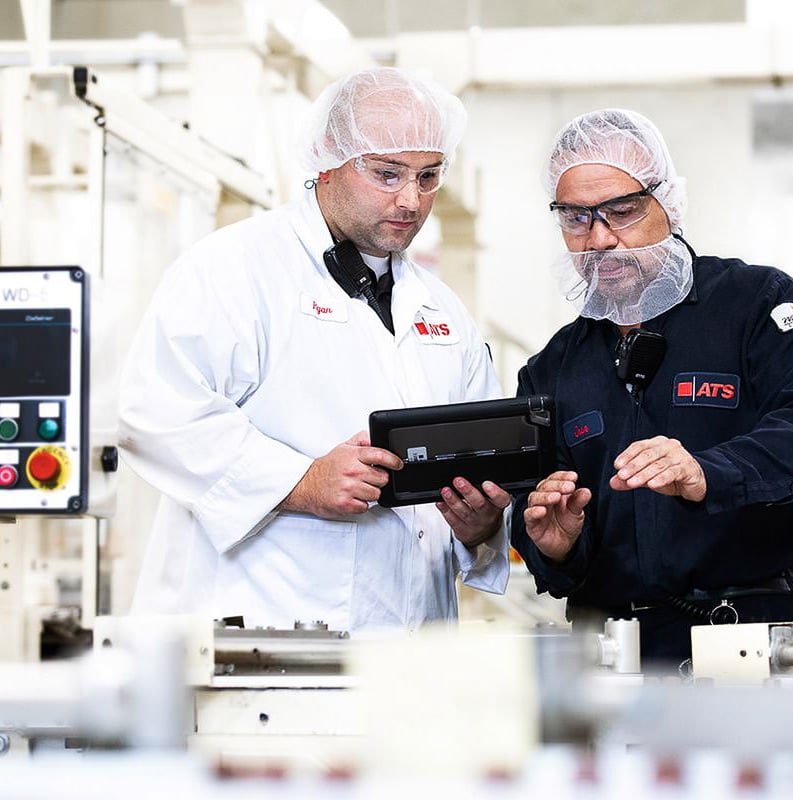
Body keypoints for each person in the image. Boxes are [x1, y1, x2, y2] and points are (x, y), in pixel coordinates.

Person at [118, 67, 510, 632]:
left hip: (411, 650)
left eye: (428, 177)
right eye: (387, 173)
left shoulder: (444, 312)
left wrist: (479, 525)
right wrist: (302, 482)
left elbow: (479, 462)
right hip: (262, 640)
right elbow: (155, 413)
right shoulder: (235, 267)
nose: (410, 199)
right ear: (328, 158)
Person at [511, 109, 793, 667]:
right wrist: (553, 544)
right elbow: (533, 503)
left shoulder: (758, 306)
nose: (600, 239)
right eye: (576, 218)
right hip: (609, 651)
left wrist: (707, 472)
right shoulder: (554, 367)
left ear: (668, 202)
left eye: (622, 212)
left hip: (746, 636)